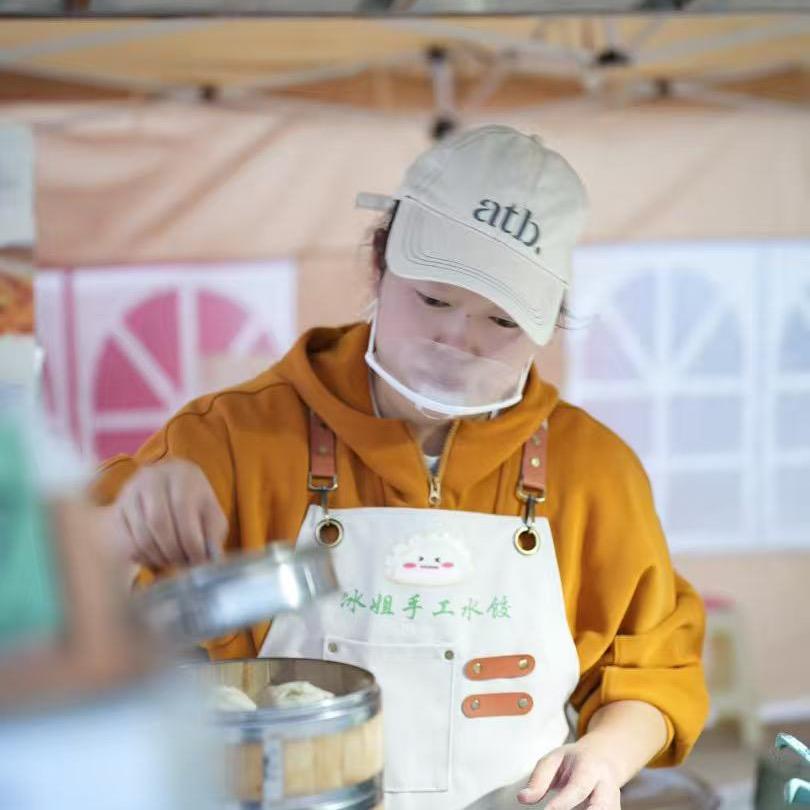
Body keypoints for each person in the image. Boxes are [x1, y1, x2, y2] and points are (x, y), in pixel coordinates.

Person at [93, 125, 708, 810]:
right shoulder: (234, 438)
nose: (458, 339)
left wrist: (606, 756)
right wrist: (122, 528)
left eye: (502, 320)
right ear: (380, 265)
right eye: (435, 300)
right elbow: (58, 599)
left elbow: (652, 663)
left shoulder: (594, 471)